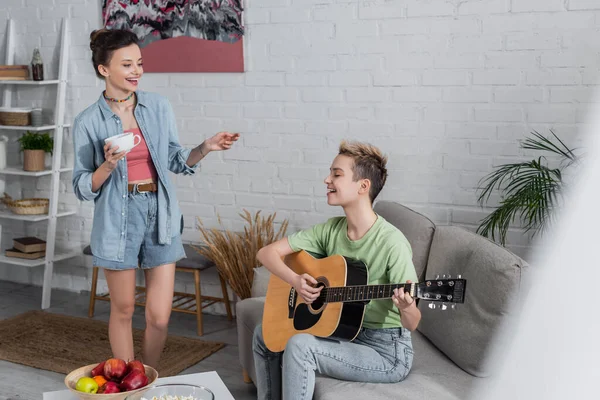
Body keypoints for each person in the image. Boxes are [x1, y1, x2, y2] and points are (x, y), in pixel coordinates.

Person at [72, 28, 239, 368]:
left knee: (160, 317)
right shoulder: (88, 121)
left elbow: (176, 159)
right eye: (127, 65)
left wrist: (205, 147)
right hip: (117, 219)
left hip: (160, 214)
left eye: (139, 63)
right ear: (104, 70)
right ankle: (128, 385)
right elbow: (81, 185)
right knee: (122, 310)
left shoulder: (158, 107)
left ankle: (148, 380)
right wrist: (108, 164)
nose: (136, 71)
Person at [253, 140, 421, 400]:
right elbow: (266, 253)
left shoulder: (392, 242)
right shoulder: (331, 229)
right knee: (263, 334)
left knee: (300, 346)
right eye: (330, 172)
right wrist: (296, 280)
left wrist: (407, 306)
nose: (326, 179)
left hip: (386, 350)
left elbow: (412, 322)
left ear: (363, 186)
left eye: (336, 174)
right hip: (346, 333)